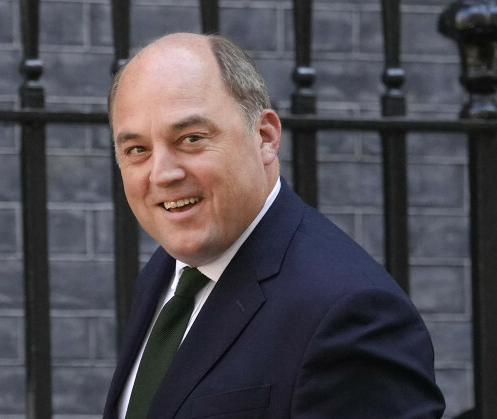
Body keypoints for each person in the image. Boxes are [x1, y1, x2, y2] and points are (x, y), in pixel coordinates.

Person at [103, 32, 445, 418]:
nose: (162, 174)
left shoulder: (352, 315)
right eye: (137, 150)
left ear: (265, 138)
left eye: (191, 139)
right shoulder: (166, 273)